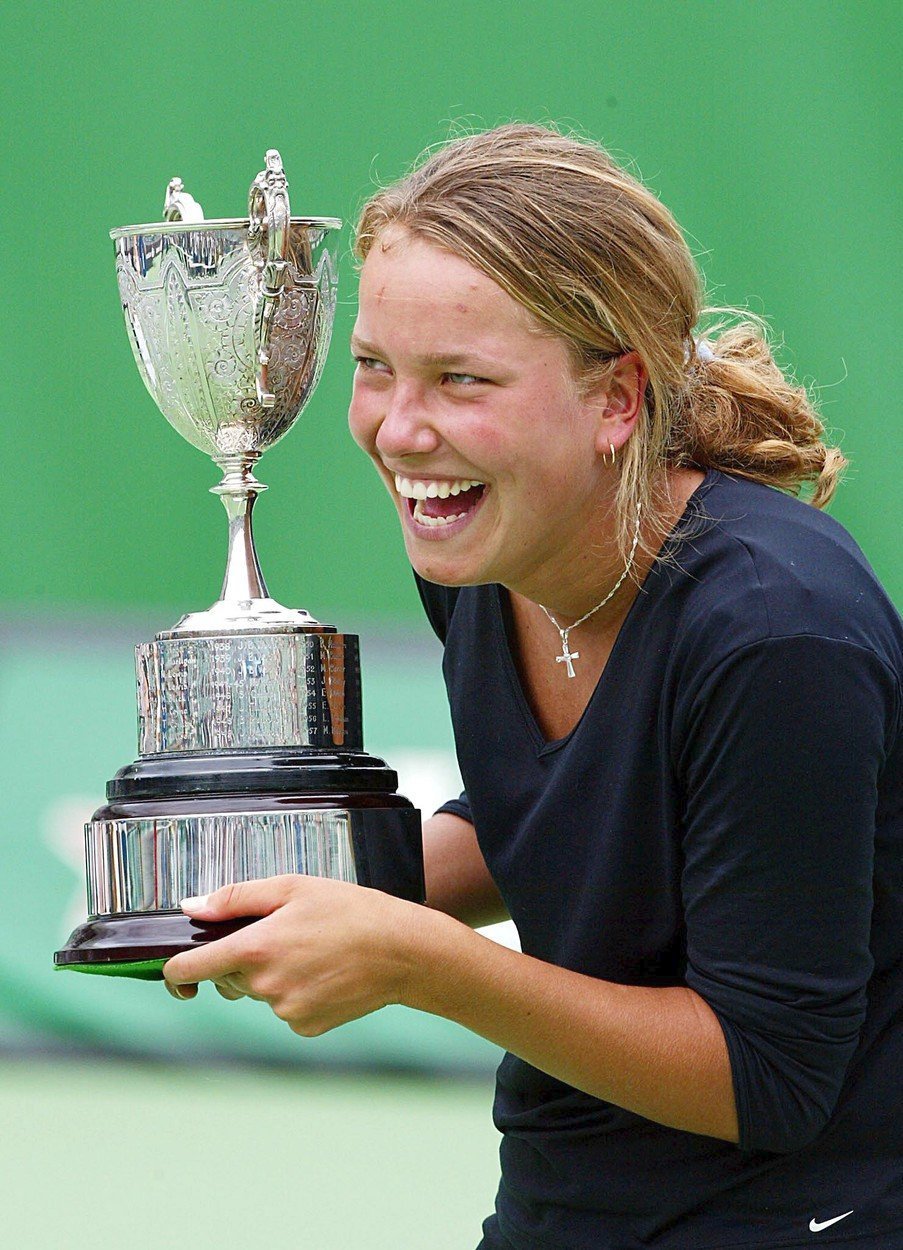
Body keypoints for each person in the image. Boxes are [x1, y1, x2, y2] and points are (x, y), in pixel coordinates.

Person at [164, 125, 903, 1249]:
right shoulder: (488, 555)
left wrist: (417, 960)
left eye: (463, 379)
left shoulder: (775, 631)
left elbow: (769, 1076)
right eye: (376, 367)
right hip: (564, 1198)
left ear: (616, 400)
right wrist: (290, 880)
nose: (401, 430)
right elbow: (557, 825)